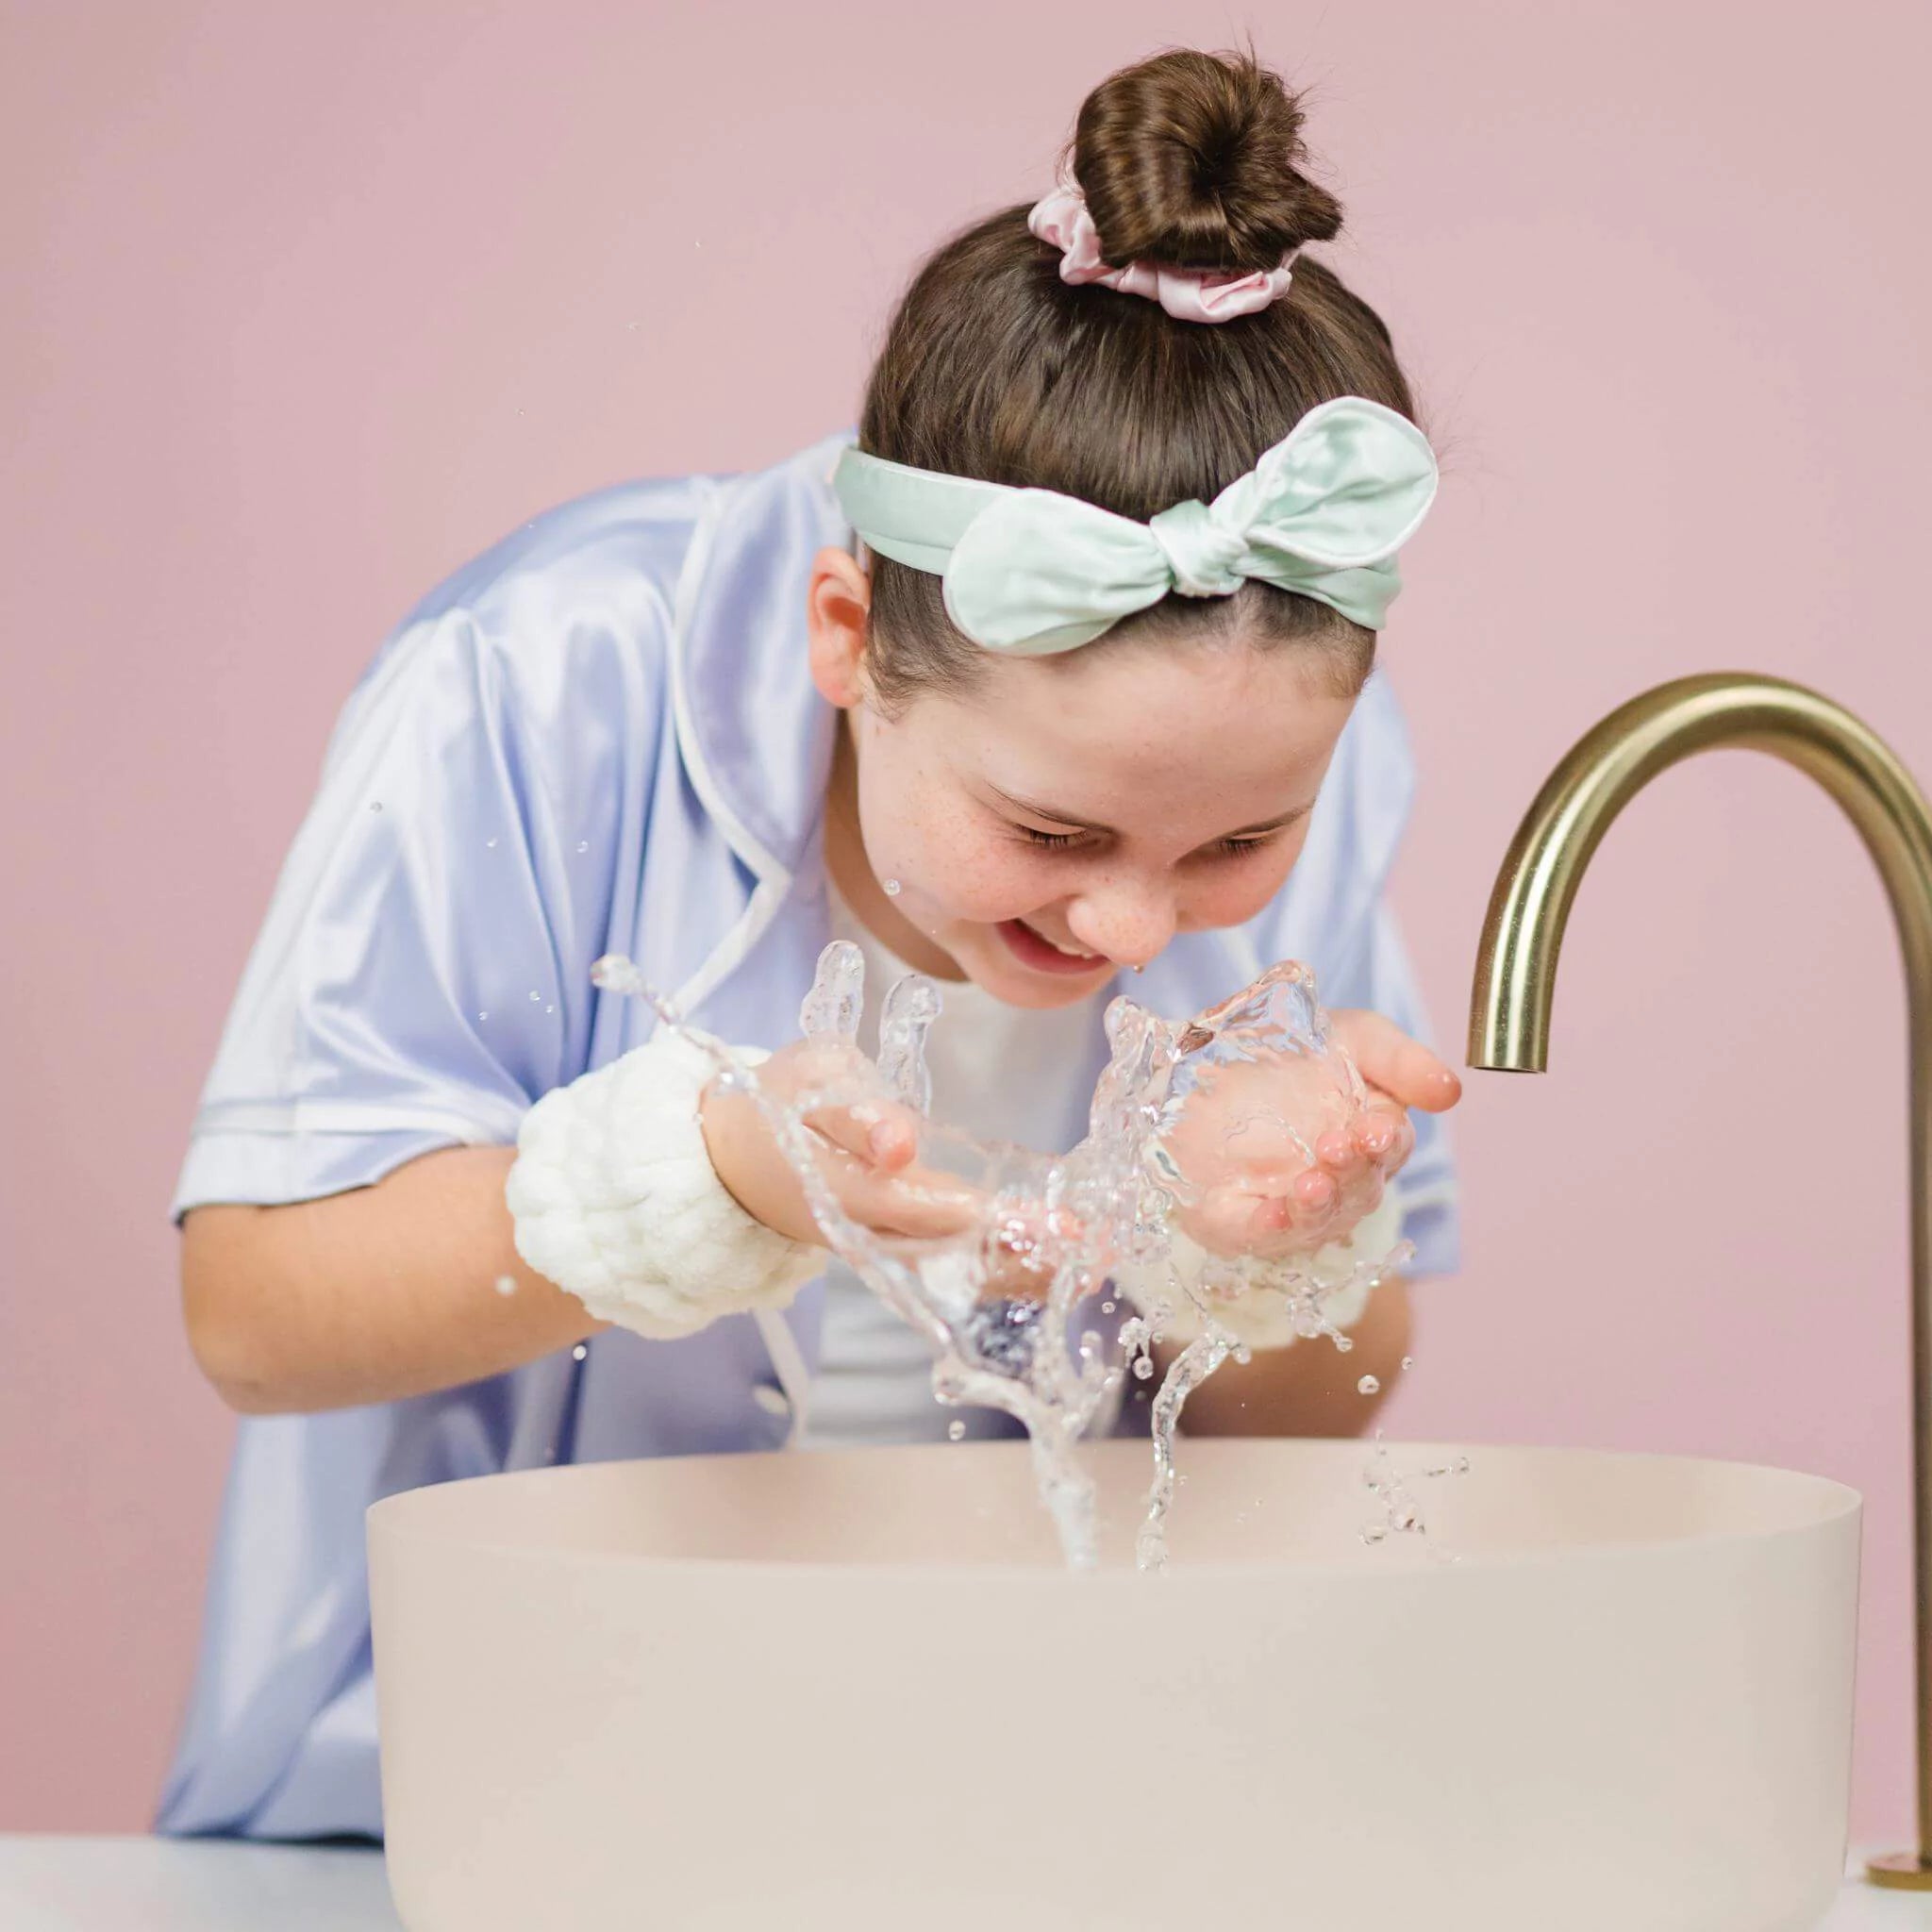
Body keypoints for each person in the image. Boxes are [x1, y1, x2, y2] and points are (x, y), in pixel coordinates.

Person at [160, 45, 1463, 1840]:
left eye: (1241, 841)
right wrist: (701, 1190)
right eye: (1050, 831)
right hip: (471, 1811)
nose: (1135, 922)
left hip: (990, 1808)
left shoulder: (1307, 738)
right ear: (845, 628)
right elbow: (249, 1311)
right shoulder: (535, 677)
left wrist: (1254, 1251)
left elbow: (1322, 1417)